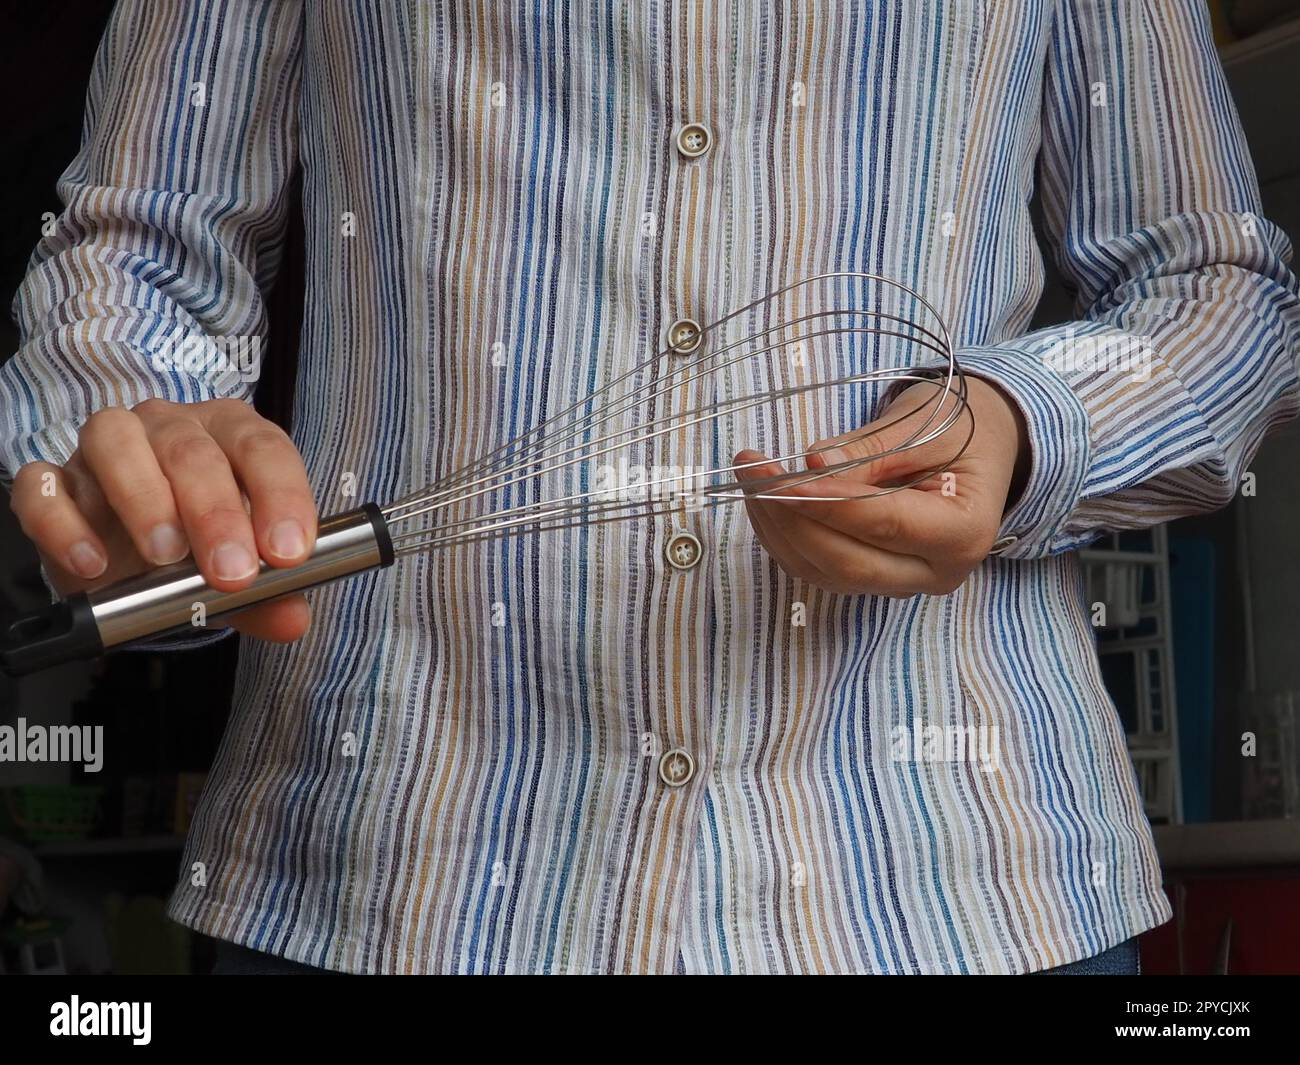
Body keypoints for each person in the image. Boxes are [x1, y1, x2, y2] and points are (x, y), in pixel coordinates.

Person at [1, 0, 1296, 975]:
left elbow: (1220, 286)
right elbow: (143, 242)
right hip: (386, 872)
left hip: (969, 880)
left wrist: (1024, 419)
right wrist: (140, 425)